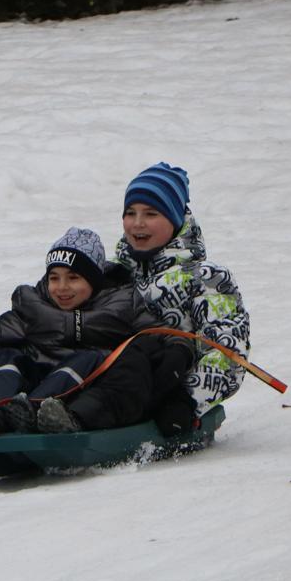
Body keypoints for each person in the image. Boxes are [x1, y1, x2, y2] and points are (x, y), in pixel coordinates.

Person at [0, 227, 175, 437]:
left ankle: (37, 413)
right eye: (54, 278)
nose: (61, 287)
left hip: (77, 392)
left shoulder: (121, 305)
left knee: (92, 357)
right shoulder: (34, 306)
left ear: (94, 280)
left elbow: (160, 333)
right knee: (6, 357)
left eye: (73, 278)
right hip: (28, 388)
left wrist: (169, 357)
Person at [109, 161, 251, 436]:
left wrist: (187, 401)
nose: (137, 223)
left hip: (171, 399)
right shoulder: (112, 273)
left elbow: (226, 351)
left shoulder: (206, 278)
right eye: (130, 212)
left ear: (174, 219)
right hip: (111, 388)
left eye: (151, 213)